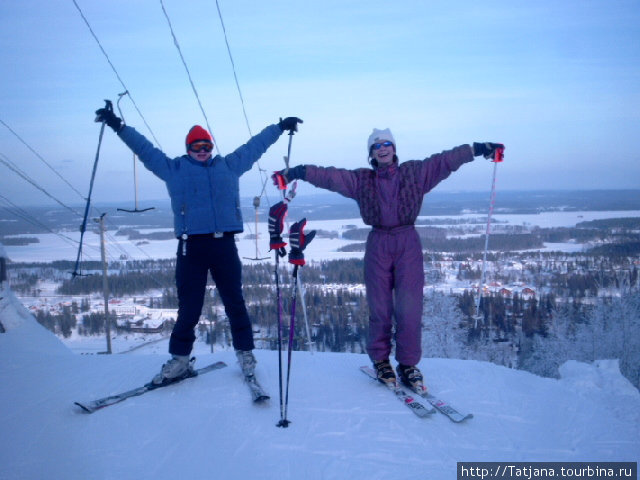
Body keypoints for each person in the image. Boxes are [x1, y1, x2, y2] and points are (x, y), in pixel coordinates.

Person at [273, 128, 503, 391]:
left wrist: (478, 148)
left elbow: (445, 161)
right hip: (378, 243)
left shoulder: (414, 173)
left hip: (407, 242)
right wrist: (298, 171)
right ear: (371, 153)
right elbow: (330, 176)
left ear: (393, 148)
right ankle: (381, 360)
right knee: (380, 306)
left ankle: (408, 364)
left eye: (386, 144)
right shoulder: (361, 180)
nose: (382, 149)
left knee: (410, 306)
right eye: (376, 146)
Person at [95, 102, 302, 385]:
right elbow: (143, 149)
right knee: (189, 307)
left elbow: (255, 146)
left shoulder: (228, 165)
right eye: (197, 146)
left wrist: (278, 128)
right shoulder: (174, 169)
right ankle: (180, 360)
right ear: (188, 148)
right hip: (190, 248)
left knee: (234, 302)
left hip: (223, 245)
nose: (203, 150)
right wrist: (117, 125)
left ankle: (245, 354)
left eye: (206, 145)